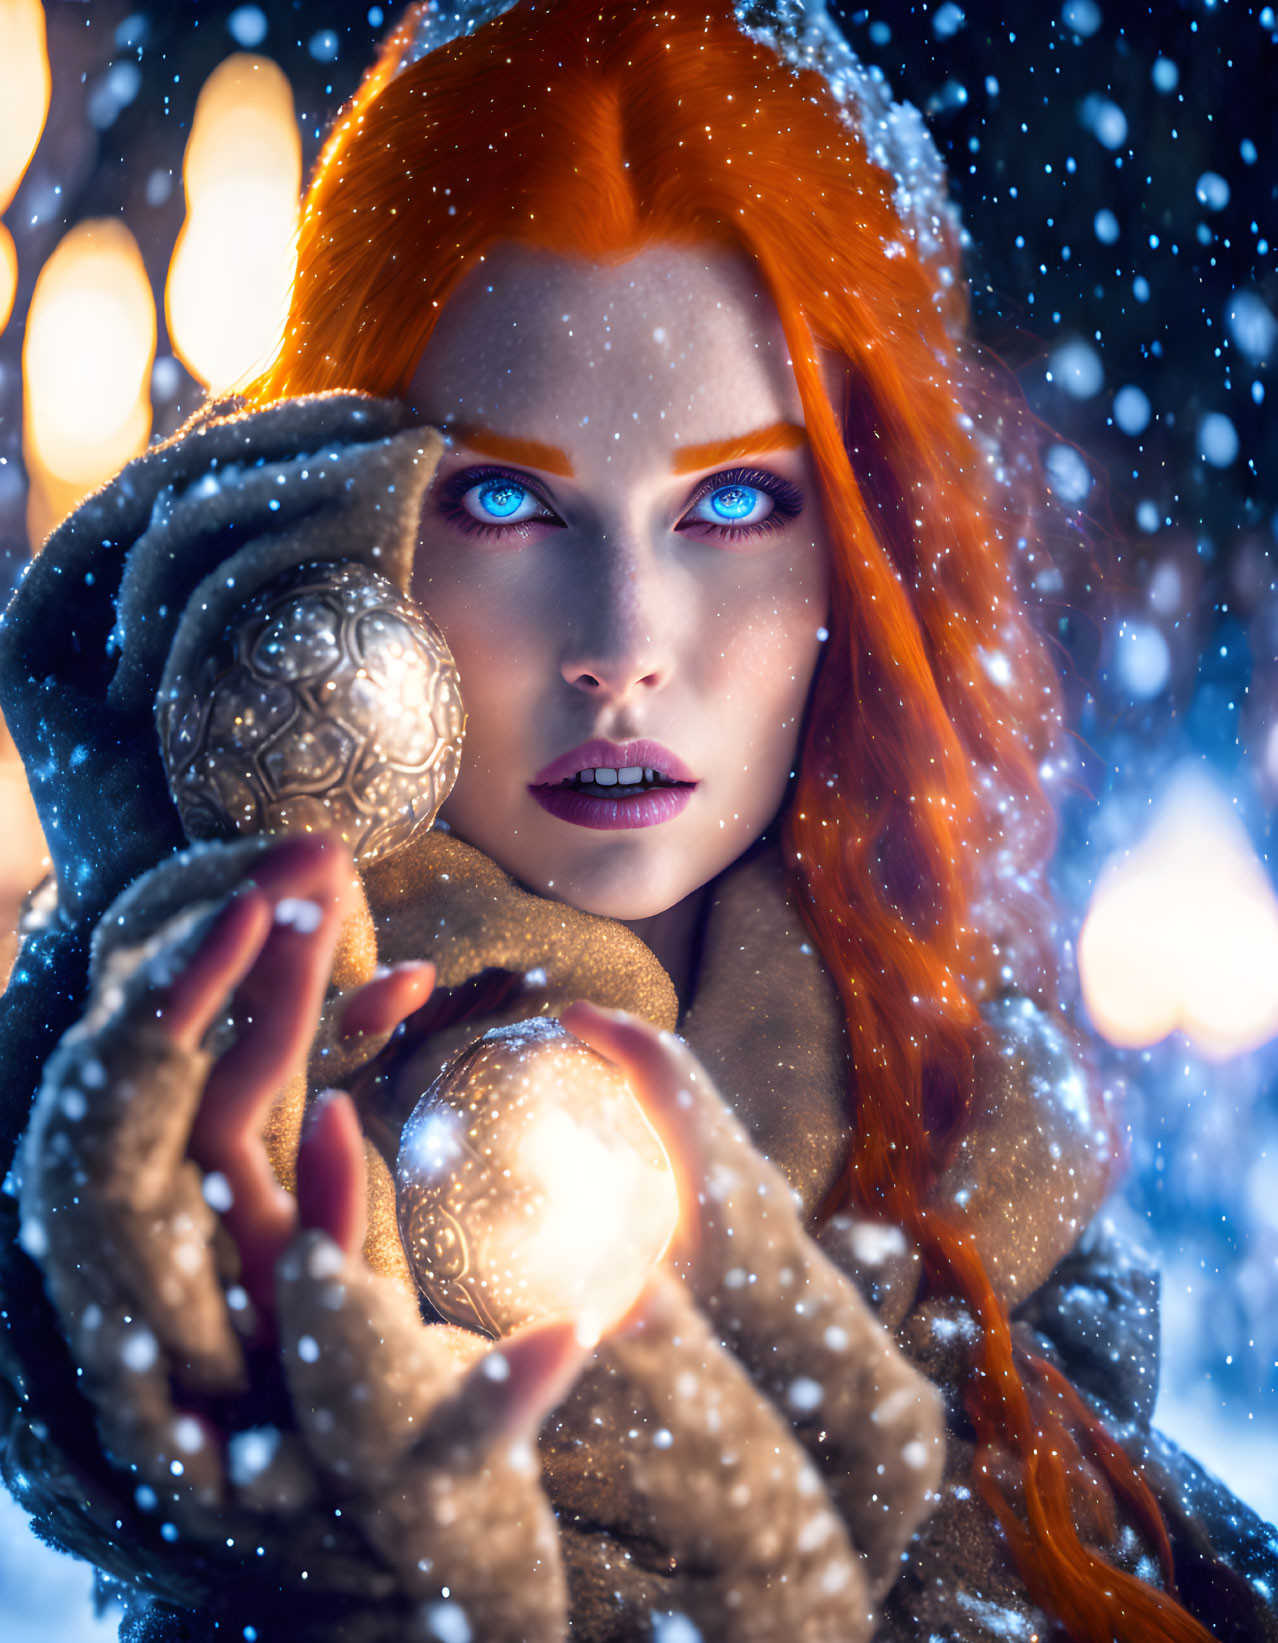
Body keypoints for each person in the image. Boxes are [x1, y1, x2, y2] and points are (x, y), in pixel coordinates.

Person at [0, 2, 1275, 1640]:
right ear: (340, 525)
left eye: (732, 501)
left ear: (861, 548)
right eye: (504, 498)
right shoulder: (205, 1180)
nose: (622, 642)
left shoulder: (983, 1175)